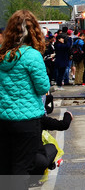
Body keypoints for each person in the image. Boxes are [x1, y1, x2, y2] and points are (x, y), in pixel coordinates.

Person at [0, 10, 51, 187]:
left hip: (2, 118)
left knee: (5, 166)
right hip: (26, 119)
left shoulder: (1, 54)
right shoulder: (31, 55)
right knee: (22, 168)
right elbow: (43, 87)